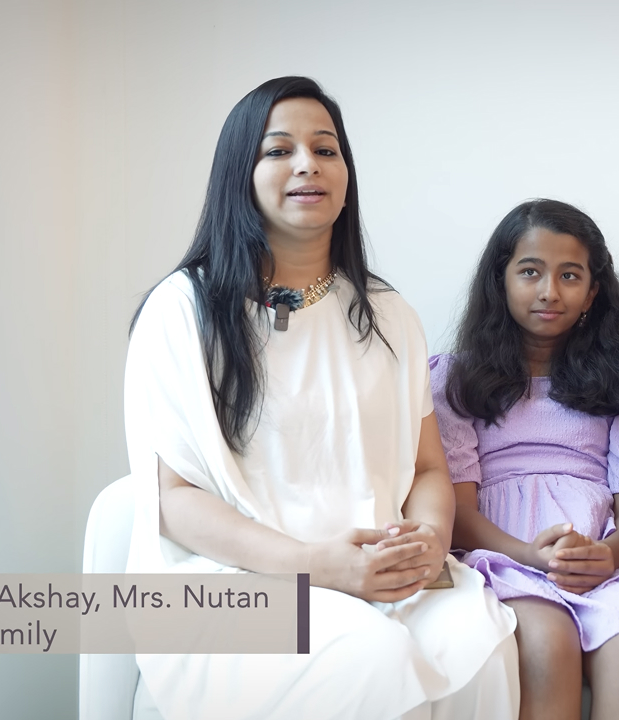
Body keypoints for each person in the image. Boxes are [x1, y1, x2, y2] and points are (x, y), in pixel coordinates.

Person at [123, 76, 518, 720]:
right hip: (234, 582)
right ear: (239, 174)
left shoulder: (389, 315)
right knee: (369, 658)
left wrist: (423, 539)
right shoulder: (181, 310)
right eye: (278, 150)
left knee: (479, 643)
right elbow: (174, 500)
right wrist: (317, 568)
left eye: (325, 148)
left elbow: (425, 470)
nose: (307, 162)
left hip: (377, 575)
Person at [431, 199, 619, 720]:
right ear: (501, 281)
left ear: (592, 292)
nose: (549, 291)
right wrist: (529, 555)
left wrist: (609, 555)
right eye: (530, 272)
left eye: (569, 275)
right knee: (547, 641)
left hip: (600, 562)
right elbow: (458, 514)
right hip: (501, 558)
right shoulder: (453, 379)